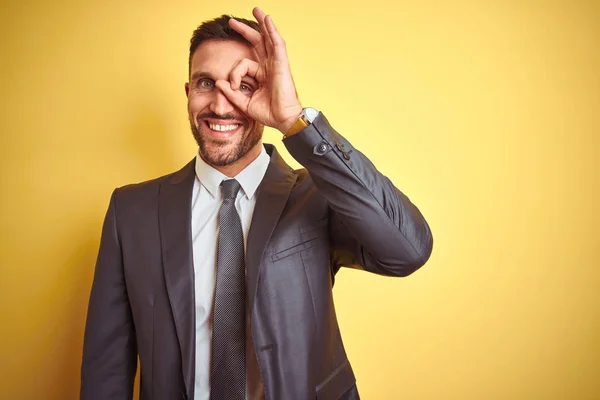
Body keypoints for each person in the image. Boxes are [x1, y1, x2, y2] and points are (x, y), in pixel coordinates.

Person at [80, 7, 433, 400]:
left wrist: (295, 120)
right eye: (205, 83)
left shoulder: (315, 197)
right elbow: (106, 368)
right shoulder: (131, 211)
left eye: (244, 85)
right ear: (188, 92)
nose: (221, 104)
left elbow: (409, 250)